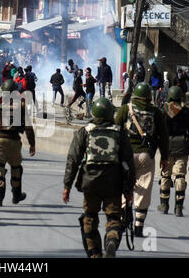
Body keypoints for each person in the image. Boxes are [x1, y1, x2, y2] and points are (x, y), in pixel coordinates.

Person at [63, 97, 136, 258]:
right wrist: (129, 188)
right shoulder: (120, 133)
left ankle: (95, 254)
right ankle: (111, 239)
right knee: (113, 217)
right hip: (114, 183)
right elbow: (129, 163)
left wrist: (67, 186)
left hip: (90, 183)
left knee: (89, 218)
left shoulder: (85, 132)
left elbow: (73, 159)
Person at [114, 82, 169, 237]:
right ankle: (139, 225)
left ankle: (124, 216)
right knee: (143, 189)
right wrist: (164, 158)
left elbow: (115, 130)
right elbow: (164, 137)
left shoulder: (126, 109)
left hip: (126, 156)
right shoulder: (156, 112)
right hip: (146, 156)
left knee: (124, 185)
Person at [0, 79, 35, 206]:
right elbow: (28, 128)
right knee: (16, 168)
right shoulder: (21, 104)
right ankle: (16, 195)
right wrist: (32, 144)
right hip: (14, 140)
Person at [158, 86, 189, 217]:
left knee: (166, 176)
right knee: (180, 176)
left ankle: (164, 204)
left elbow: (159, 130)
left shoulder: (164, 110)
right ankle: (178, 207)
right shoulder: (187, 111)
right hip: (182, 147)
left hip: (167, 147)